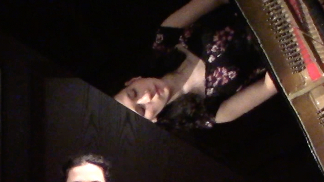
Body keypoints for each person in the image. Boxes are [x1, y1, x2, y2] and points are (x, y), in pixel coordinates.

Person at [114, 0, 277, 130]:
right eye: (142, 110)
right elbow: (270, 84)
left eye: (134, 93)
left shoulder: (165, 39)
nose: (147, 96)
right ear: (153, 120)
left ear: (133, 80)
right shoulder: (212, 112)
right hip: (285, 35)